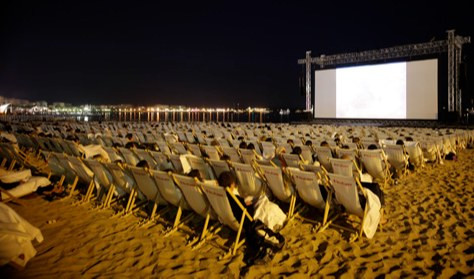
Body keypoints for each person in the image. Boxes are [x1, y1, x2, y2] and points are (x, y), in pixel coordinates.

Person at [218, 172, 285, 265]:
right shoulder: (235, 199)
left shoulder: (222, 197)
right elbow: (246, 212)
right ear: (232, 184)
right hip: (242, 221)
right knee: (267, 205)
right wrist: (250, 204)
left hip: (227, 220)